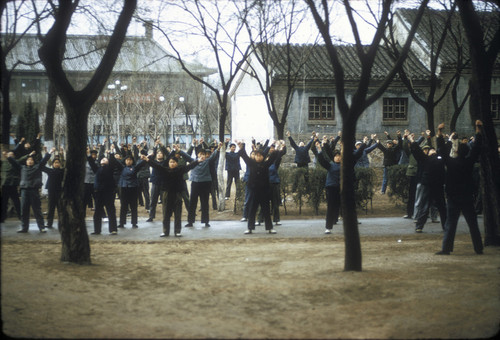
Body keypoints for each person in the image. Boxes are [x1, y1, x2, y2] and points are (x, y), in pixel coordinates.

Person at [435, 121, 484, 255]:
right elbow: (476, 149)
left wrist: (443, 136)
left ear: (456, 151)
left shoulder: (451, 163)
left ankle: (446, 248)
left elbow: (442, 151)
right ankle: (478, 248)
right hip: (467, 196)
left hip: (453, 196)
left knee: (450, 224)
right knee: (473, 224)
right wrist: (478, 130)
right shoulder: (469, 162)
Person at [142, 151, 200, 237]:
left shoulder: (180, 170)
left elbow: (189, 166)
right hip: (166, 194)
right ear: (168, 163)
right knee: (166, 214)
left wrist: (198, 161)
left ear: (177, 163)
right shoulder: (164, 170)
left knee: (177, 214)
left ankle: (177, 231)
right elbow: (156, 166)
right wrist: (147, 160)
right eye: (170, 162)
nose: (172, 164)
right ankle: (165, 231)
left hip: (177, 194)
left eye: (173, 162)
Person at [238, 141, 281, 234]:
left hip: (264, 191)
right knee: (252, 210)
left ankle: (270, 228)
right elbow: (244, 155)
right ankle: (250, 228)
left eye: (260, 156)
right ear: (254, 156)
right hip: (253, 191)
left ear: (263, 157)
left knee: (266, 210)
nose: (258, 157)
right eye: (257, 155)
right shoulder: (251, 163)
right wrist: (241, 147)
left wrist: (276, 147)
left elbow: (274, 156)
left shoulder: (266, 164)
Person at [8, 148, 53, 233]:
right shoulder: (22, 168)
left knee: (37, 210)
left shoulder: (37, 167)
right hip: (24, 191)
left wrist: (49, 153)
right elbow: (14, 163)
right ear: (26, 162)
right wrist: (9, 157)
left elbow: (43, 161)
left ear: (33, 161)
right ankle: (24, 228)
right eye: (28, 160)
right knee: (24, 210)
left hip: (34, 191)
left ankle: (41, 227)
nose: (30, 161)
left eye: (31, 160)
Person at [409, 134, 447, 233]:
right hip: (428, 186)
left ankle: (446, 226)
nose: (432, 150)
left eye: (434, 149)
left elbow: (442, 148)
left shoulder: (440, 158)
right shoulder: (425, 159)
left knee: (442, 207)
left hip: (438, 186)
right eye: (431, 150)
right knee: (424, 207)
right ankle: (419, 226)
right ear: (428, 153)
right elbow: (417, 152)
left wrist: (439, 135)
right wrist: (412, 141)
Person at [185, 143, 221, 228]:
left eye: (203, 154)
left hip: (205, 184)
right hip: (195, 184)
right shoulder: (193, 161)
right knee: (192, 203)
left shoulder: (207, 161)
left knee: (205, 203)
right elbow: (186, 155)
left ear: (206, 156)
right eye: (200, 154)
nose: (202, 156)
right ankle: (190, 221)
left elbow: (214, 155)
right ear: (197, 155)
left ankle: (205, 221)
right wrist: (191, 146)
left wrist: (218, 148)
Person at [87, 151, 119, 235]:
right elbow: (91, 162)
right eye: (102, 159)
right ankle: (97, 230)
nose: (104, 160)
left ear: (108, 162)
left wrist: (111, 153)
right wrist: (88, 154)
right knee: (97, 212)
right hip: (99, 192)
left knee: (111, 211)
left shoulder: (110, 168)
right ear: (100, 162)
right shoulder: (97, 169)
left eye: (105, 159)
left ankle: (113, 229)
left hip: (109, 192)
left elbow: (112, 161)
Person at [116, 155, 147, 229]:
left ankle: (134, 223)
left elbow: (141, 164)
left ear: (132, 161)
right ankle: (122, 223)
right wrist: (111, 154)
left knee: (134, 206)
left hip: (133, 188)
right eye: (127, 160)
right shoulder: (122, 167)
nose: (128, 161)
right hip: (124, 188)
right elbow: (116, 162)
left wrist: (146, 158)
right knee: (123, 206)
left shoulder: (135, 168)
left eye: (130, 160)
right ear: (125, 161)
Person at [42, 155, 64, 229]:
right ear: (52, 164)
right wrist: (48, 154)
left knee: (60, 209)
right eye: (55, 162)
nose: (56, 164)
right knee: (50, 208)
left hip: (59, 192)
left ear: (60, 164)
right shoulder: (50, 171)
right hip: (51, 192)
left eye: (58, 162)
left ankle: (61, 223)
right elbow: (41, 165)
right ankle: (49, 223)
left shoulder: (62, 171)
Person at [267, 141, 286, 226]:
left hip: (274, 183)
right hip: (265, 184)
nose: (271, 149)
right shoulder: (264, 163)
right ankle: (260, 219)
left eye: (272, 148)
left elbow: (278, 157)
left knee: (275, 203)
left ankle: (276, 219)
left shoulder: (275, 164)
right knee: (264, 203)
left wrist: (279, 147)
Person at [1, 150, 21, 223]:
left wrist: (8, 157)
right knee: (3, 202)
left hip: (13, 184)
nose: (10, 156)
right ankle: (2, 218)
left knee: (16, 202)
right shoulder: (3, 163)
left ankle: (20, 217)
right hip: (4, 185)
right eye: (9, 154)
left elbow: (17, 166)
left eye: (12, 155)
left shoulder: (16, 162)